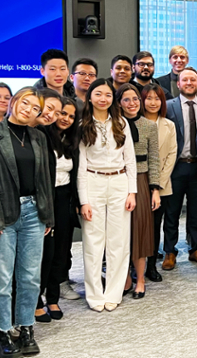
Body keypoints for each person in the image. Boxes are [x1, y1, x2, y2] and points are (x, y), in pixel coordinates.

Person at [0, 87, 53, 357]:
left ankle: (26, 328)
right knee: (0, 279)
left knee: (31, 277)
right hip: (3, 215)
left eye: (35, 108)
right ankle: (3, 332)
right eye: (25, 103)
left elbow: (45, 178)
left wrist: (48, 215)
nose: (29, 110)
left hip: (34, 211)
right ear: (14, 102)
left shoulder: (37, 136)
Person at [77, 79, 137, 312]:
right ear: (90, 96)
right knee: (93, 241)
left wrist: (132, 191)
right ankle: (94, 295)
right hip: (93, 181)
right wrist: (84, 200)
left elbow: (130, 159)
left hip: (120, 183)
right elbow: (81, 165)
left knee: (119, 241)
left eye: (108, 95)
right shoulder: (83, 124)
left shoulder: (121, 122)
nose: (103, 98)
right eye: (98, 94)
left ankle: (114, 292)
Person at [36, 97, 81, 320]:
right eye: (63, 113)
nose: (66, 119)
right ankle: (36, 300)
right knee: (42, 252)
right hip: (44, 198)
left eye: (71, 116)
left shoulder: (71, 140)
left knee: (60, 251)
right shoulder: (41, 135)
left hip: (64, 199)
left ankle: (52, 299)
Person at [117, 83, 162, 298]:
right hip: (118, 180)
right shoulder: (113, 124)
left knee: (140, 230)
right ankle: (124, 276)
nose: (132, 103)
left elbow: (154, 158)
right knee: (121, 231)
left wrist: (155, 189)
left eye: (135, 99)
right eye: (126, 99)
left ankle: (141, 278)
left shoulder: (149, 125)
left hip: (142, 180)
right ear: (119, 103)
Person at [163, 67, 197, 269]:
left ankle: (196, 249)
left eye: (193, 79)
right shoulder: (168, 106)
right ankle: (170, 251)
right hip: (176, 168)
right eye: (185, 80)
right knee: (172, 212)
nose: (189, 83)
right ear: (178, 84)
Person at [142, 83, 178, 280]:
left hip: (161, 186)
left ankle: (151, 266)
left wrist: (158, 183)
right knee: (137, 227)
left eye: (157, 98)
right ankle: (134, 266)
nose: (153, 102)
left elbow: (172, 155)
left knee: (155, 227)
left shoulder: (168, 125)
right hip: (136, 184)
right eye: (149, 98)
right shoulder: (134, 122)